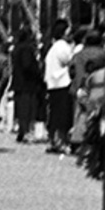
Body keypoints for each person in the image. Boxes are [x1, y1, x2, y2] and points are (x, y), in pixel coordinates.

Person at [43, 19, 74, 153]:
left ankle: (53, 140)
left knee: (54, 114)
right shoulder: (62, 46)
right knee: (62, 115)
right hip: (62, 83)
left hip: (52, 84)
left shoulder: (53, 47)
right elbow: (69, 60)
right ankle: (60, 141)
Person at [11, 27, 44, 144]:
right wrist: (38, 72)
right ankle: (26, 132)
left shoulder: (16, 49)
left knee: (20, 108)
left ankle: (21, 131)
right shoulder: (26, 49)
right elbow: (27, 65)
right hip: (28, 83)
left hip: (19, 83)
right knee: (28, 109)